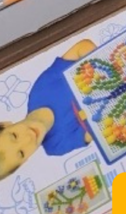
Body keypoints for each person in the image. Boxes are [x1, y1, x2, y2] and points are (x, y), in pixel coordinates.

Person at [0, 39, 96, 178]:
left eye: (14, 135)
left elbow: (82, 47)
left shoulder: (39, 91)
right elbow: (98, 131)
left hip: (120, 64)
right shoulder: (56, 146)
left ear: (6, 124)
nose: (28, 138)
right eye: (21, 153)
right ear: (25, 162)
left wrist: (101, 66)